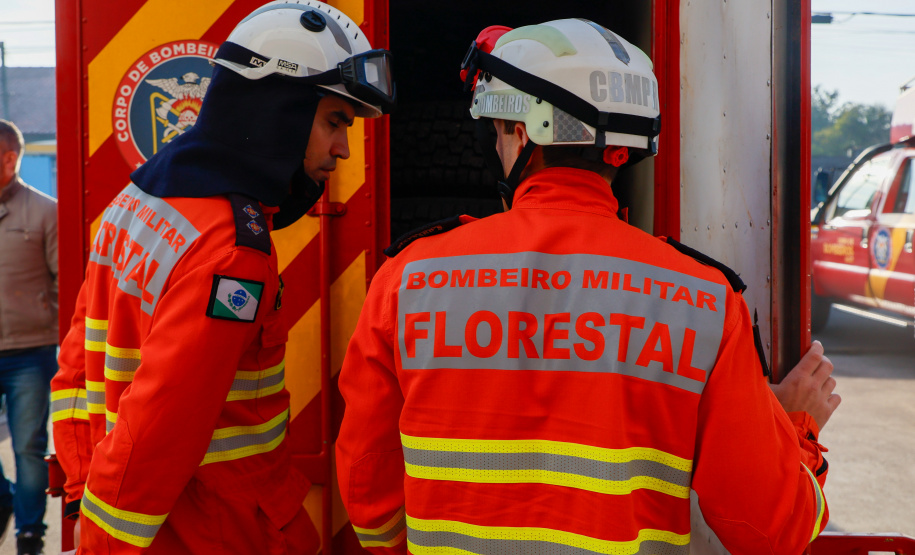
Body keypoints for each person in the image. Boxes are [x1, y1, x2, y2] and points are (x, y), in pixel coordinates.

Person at [335, 19, 839, 555]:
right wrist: (795, 429)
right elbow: (772, 530)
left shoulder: (410, 278)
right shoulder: (705, 299)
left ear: (524, 132)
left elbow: (369, 485)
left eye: (499, 131)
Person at [50, 1, 395, 553]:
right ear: (276, 107)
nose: (343, 149)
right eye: (334, 121)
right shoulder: (233, 252)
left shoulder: (135, 200)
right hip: (217, 531)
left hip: (144, 516)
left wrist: (78, 492)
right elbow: (160, 428)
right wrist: (101, 545)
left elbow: (75, 370)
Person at [0, 119, 58, 555]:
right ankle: (4, 501)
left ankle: (29, 534)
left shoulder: (44, 211)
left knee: (28, 449)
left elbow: (62, 282)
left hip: (30, 353)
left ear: (9, 158)